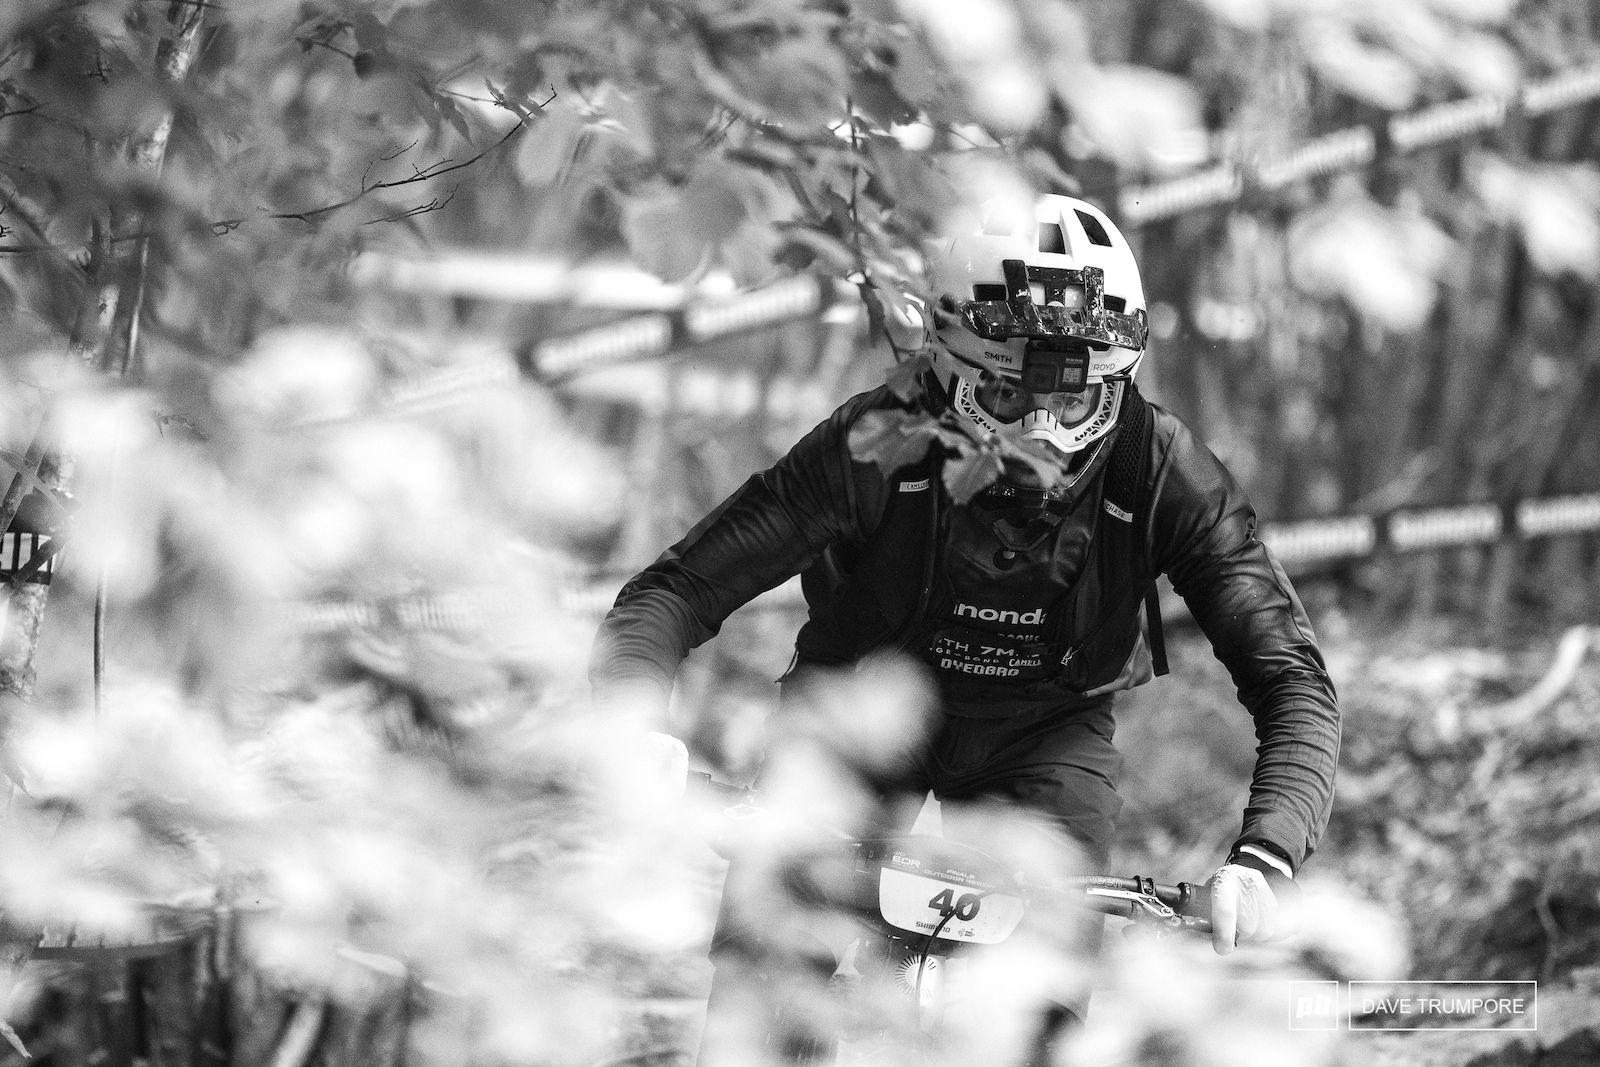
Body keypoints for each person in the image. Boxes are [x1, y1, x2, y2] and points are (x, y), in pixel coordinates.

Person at [589, 193, 1339, 1060]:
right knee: (766, 982)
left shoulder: (1161, 466)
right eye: (1013, 386)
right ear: (948, 364)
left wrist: (1265, 857)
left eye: (1075, 387)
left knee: (1041, 1013)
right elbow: (674, 591)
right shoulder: (876, 441)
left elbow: (1292, 676)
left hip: (1045, 738)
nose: (1045, 427)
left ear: (1118, 371)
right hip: (858, 717)